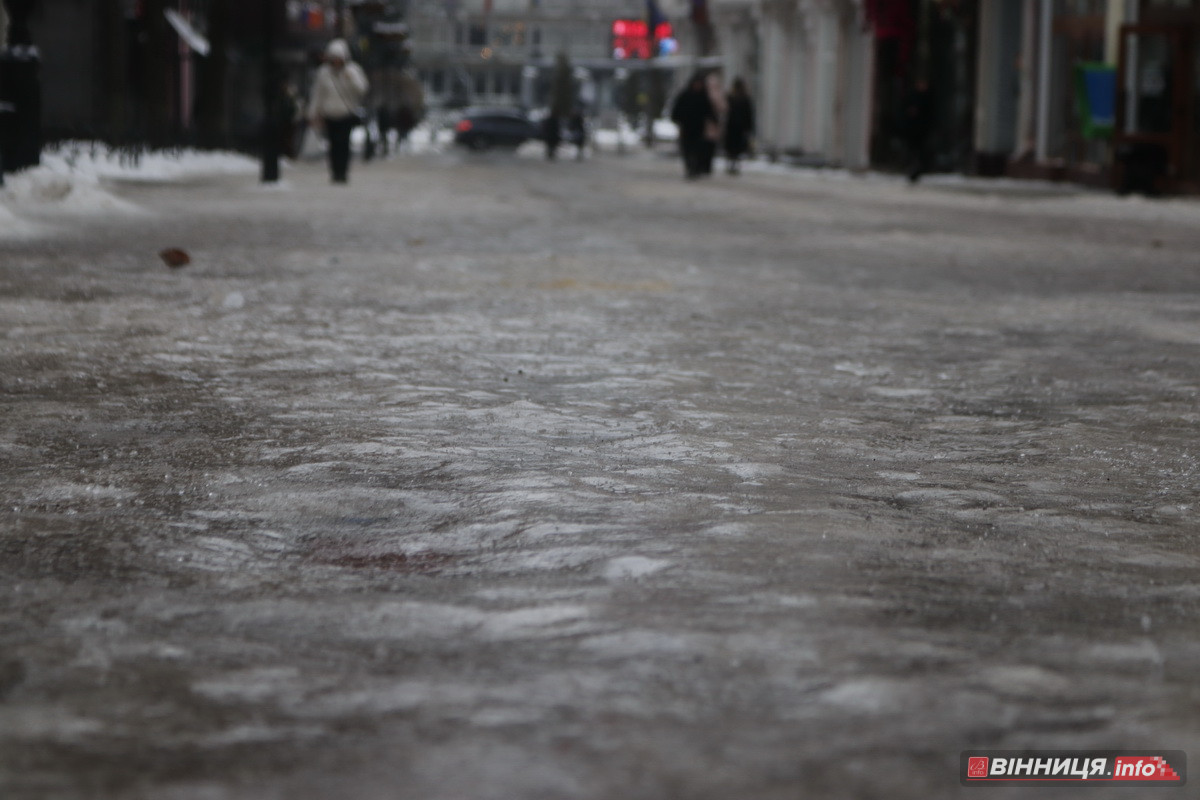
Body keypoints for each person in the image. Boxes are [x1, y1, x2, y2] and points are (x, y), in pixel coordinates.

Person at [307, 39, 369, 184]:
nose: (336, 61)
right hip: (329, 114)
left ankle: (343, 171)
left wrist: (351, 78)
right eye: (333, 58)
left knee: (344, 143)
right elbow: (318, 94)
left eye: (338, 58)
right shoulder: (323, 73)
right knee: (333, 144)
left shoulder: (353, 70)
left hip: (346, 113)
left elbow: (363, 89)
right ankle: (335, 172)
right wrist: (313, 113)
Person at [670, 73, 717, 180]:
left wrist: (714, 120)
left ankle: (695, 168)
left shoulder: (703, 97)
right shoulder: (685, 95)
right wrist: (677, 119)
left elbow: (708, 110)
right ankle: (690, 167)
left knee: (698, 149)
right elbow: (676, 110)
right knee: (687, 149)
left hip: (699, 128)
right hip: (686, 127)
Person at [901, 78, 932, 184]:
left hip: (922, 131)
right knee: (911, 151)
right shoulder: (911, 96)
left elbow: (931, 115)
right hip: (912, 130)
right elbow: (904, 111)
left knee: (920, 152)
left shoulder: (928, 98)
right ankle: (911, 170)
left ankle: (917, 171)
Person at [723, 77, 755, 175]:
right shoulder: (732, 98)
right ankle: (732, 164)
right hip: (735, 126)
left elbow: (749, 114)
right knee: (733, 147)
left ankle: (733, 164)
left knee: (735, 147)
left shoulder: (740, 98)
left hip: (736, 126)